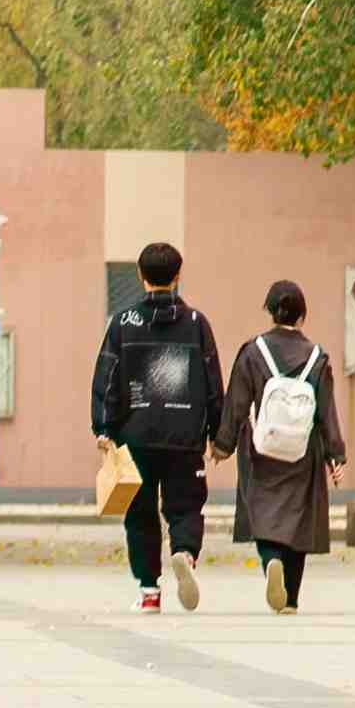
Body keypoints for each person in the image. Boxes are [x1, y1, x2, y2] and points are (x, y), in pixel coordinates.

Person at [91, 238, 224, 614]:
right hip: (185, 438)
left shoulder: (123, 323)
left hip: (136, 436)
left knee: (140, 514)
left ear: (140, 275)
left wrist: (103, 427)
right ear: (178, 275)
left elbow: (107, 376)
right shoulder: (197, 324)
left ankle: (150, 591)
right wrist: (218, 435)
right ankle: (184, 553)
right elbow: (213, 382)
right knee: (186, 506)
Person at [224, 277, 351, 612]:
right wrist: (335, 454)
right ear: (302, 316)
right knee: (299, 517)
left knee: (262, 511)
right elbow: (326, 410)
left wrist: (221, 445)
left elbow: (236, 402)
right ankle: (291, 598)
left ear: (270, 311)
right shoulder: (317, 357)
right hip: (304, 450)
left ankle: (270, 563)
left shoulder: (253, 351)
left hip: (261, 446)